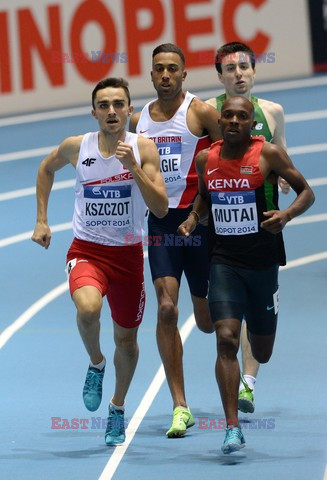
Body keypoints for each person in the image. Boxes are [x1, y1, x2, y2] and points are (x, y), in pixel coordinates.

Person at [31, 77, 168, 446]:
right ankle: (95, 364)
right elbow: (45, 169)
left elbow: (160, 207)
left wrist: (134, 169)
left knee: (127, 340)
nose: (111, 111)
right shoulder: (77, 147)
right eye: (103, 105)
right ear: (94, 112)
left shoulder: (144, 149)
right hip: (87, 251)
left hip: (127, 258)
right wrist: (42, 219)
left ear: (128, 110)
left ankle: (118, 407)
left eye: (118, 104)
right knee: (88, 309)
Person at [179, 96, 314, 453]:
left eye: (243, 116)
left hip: (263, 263)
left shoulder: (268, 154)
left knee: (263, 351)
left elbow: (307, 193)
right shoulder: (206, 158)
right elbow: (204, 197)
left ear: (252, 122)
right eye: (229, 116)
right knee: (225, 338)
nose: (235, 121)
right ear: (220, 121)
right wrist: (194, 219)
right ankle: (232, 426)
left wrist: (285, 216)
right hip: (223, 261)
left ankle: (265, 323)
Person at [129, 43, 221, 438]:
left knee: (205, 322)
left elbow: (232, 151)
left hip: (200, 224)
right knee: (166, 308)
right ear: (150, 76)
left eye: (172, 69)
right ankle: (179, 406)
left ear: (184, 75)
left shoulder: (199, 113)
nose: (165, 75)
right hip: (163, 225)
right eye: (158, 69)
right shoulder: (138, 122)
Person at [206, 42, 290, 413]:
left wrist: (284, 181)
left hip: (264, 224)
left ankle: (249, 383)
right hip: (223, 225)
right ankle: (239, 379)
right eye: (230, 68)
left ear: (254, 71)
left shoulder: (273, 112)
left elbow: (282, 153)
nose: (238, 73)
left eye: (244, 66)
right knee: (225, 314)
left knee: (256, 313)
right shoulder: (209, 113)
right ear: (221, 76)